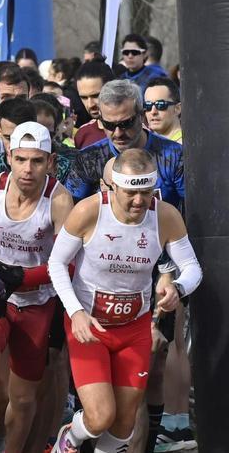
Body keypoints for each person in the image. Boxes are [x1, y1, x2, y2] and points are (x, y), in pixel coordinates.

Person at [47, 150, 202, 453]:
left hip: (133, 328)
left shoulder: (165, 215)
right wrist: (75, 312)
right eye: (131, 192)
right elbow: (56, 263)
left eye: (146, 192)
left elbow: (192, 268)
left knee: (124, 424)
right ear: (112, 187)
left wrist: (178, 290)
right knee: (100, 416)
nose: (139, 201)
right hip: (90, 325)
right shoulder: (89, 211)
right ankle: (70, 438)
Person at [0, 122, 74, 453]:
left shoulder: (59, 199)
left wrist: (21, 278)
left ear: (50, 161)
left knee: (24, 397)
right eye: (22, 159)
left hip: (35, 303)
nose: (28, 169)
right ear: (9, 157)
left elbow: (67, 263)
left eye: (37, 161)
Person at [66, 80, 184, 210]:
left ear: (141, 116)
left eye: (125, 124)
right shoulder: (88, 160)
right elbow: (71, 212)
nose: (118, 133)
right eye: (109, 125)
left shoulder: (175, 156)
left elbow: (195, 213)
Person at [72, 60, 116, 147]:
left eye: (96, 96)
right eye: (84, 97)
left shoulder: (136, 130)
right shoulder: (82, 134)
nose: (90, 104)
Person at [144, 77, 182, 142]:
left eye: (160, 104)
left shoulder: (188, 145)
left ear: (177, 108)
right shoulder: (146, 143)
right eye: (148, 105)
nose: (153, 112)